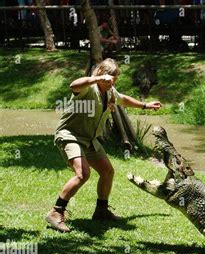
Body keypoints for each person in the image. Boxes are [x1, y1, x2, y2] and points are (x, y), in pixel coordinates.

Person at [45, 58, 161, 233]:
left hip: (90, 139)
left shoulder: (110, 91)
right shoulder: (87, 88)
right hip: (71, 136)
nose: (111, 84)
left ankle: (101, 210)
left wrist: (145, 105)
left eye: (114, 81)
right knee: (83, 174)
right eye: (108, 80)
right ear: (100, 73)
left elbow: (124, 100)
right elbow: (73, 85)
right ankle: (56, 212)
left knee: (107, 171)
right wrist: (96, 80)